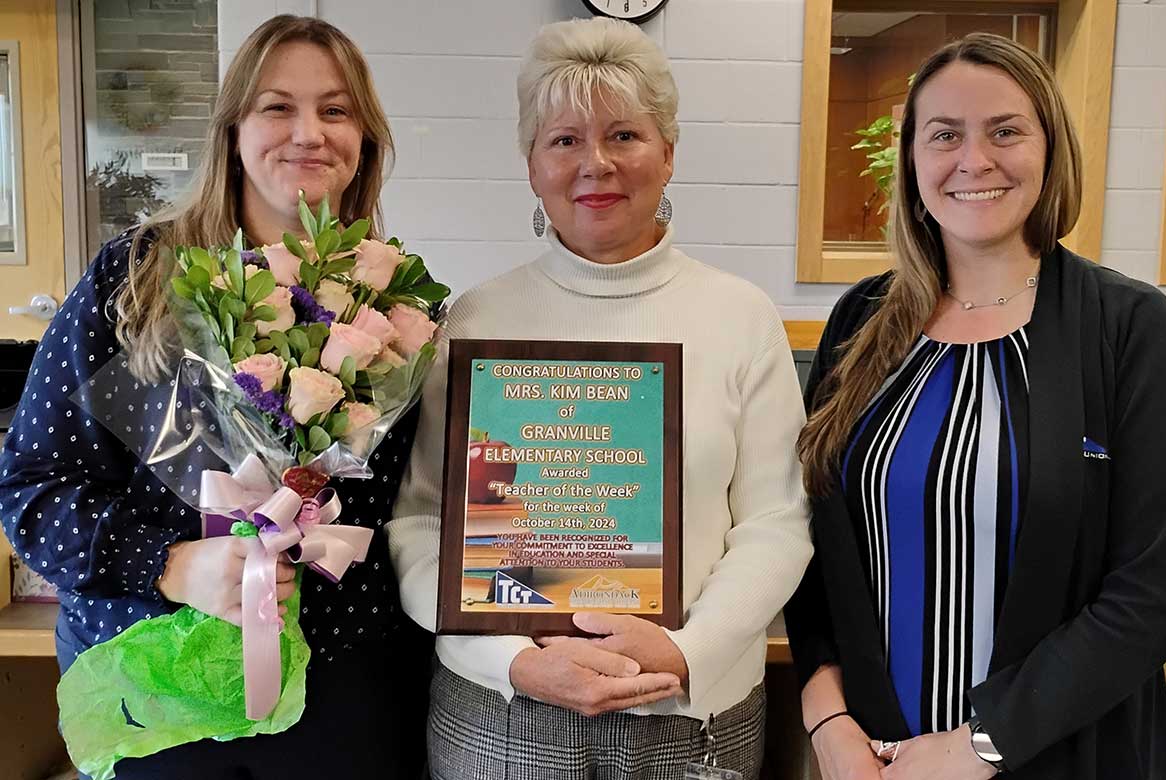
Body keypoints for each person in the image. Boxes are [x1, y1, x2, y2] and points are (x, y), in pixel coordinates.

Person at [0, 15, 431, 778]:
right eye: (277, 107)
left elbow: (415, 515)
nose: (310, 133)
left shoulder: (394, 309)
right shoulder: (131, 280)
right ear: (231, 128)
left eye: (336, 110)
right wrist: (168, 564)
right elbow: (31, 490)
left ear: (364, 137)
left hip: (344, 694)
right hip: (161, 682)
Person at [386, 17, 811, 780]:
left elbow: (778, 521)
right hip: (502, 713)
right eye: (564, 140)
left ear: (669, 153)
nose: (596, 164)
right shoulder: (474, 320)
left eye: (624, 135)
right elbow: (421, 522)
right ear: (530, 166)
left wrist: (686, 650)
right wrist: (510, 657)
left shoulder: (741, 315)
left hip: (689, 715)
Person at [785, 32, 1166, 780]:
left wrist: (980, 745)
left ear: (1051, 149)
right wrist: (828, 719)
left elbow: (1156, 590)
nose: (975, 160)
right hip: (874, 762)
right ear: (913, 161)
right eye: (945, 135)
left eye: (1005, 131)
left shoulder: (1127, 327)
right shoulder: (861, 321)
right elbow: (814, 551)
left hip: (1066, 759)